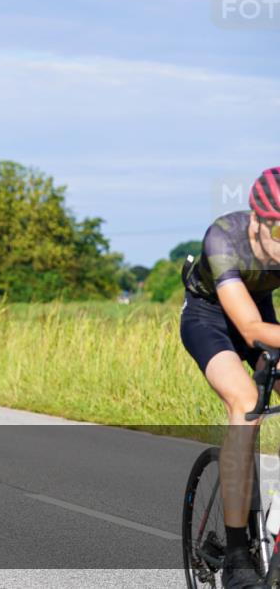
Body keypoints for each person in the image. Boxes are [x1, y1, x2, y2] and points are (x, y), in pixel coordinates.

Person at [181, 167, 280, 589]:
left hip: (261, 312)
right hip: (212, 319)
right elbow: (251, 331)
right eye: (277, 230)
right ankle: (237, 555)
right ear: (257, 221)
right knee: (244, 403)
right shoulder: (224, 237)